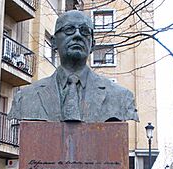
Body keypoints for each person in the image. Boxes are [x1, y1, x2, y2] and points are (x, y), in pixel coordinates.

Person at [8, 10, 139, 123]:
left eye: (85, 31)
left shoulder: (121, 97)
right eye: (69, 30)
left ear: (92, 44)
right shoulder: (25, 97)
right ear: (53, 42)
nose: (77, 35)